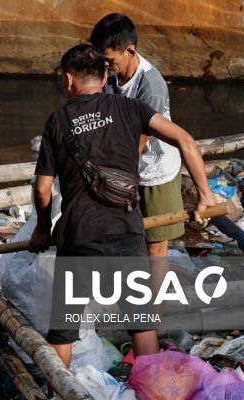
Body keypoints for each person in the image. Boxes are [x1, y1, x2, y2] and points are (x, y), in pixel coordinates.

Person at [28, 44, 215, 367]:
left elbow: (43, 190)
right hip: (126, 234)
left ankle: (56, 398)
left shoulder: (58, 121)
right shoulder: (131, 108)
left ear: (69, 80)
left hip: (78, 239)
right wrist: (204, 195)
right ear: (103, 78)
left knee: (63, 330)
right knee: (141, 326)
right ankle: (153, 399)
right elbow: (185, 140)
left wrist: (43, 229)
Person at [90, 13, 184, 259]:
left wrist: (106, 179)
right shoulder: (109, 72)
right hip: (124, 164)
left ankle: (156, 299)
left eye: (110, 60)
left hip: (154, 172)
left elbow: (137, 145)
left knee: (155, 247)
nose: (106, 65)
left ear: (129, 51)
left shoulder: (150, 86)